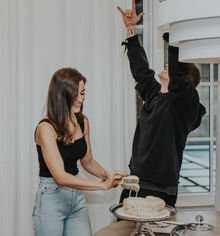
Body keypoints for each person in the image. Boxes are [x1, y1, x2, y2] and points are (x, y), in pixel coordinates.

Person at [117, 0, 206, 207]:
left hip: (160, 188)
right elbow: (141, 71)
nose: (166, 66)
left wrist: (173, 20)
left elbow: (178, 70)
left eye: (171, 68)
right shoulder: (155, 95)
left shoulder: (184, 105)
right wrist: (131, 30)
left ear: (185, 84)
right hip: (135, 181)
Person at [32, 67, 125, 236]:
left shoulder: (83, 122)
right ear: (62, 95)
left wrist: (108, 175)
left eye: (82, 93)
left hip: (76, 198)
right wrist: (102, 185)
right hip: (52, 198)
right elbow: (60, 176)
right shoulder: (45, 128)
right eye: (75, 94)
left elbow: (87, 161)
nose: (80, 99)